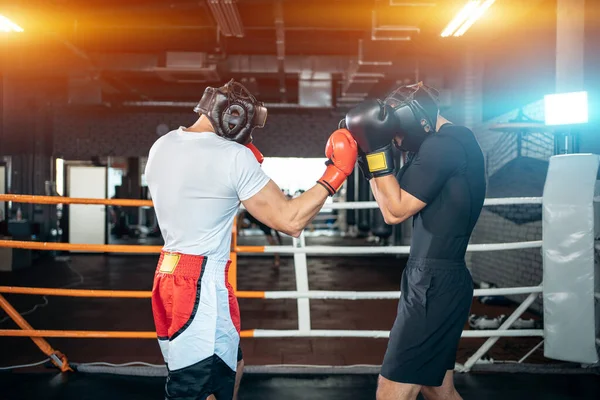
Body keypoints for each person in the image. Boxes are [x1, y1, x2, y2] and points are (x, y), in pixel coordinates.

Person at [145, 79, 357, 400]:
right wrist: (336, 171)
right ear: (233, 117)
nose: (250, 135)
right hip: (199, 285)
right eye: (248, 125)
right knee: (191, 389)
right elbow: (291, 221)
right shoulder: (232, 157)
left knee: (231, 366)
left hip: (172, 274)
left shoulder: (163, 145)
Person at [344, 82, 486, 400]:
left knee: (391, 392)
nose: (397, 141)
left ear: (414, 119)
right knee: (438, 389)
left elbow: (395, 212)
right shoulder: (451, 142)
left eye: (396, 134)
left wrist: (375, 150)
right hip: (435, 277)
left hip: (433, 282)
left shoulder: (444, 146)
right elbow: (388, 204)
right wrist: (369, 153)